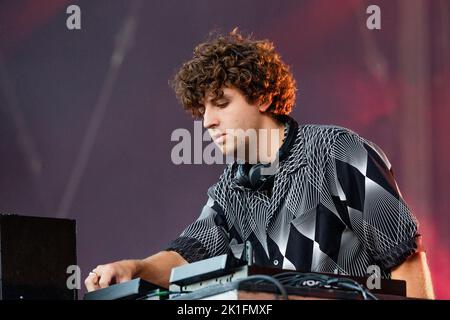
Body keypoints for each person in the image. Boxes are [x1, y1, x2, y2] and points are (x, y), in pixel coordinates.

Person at [84, 29, 434, 299]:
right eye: (201, 110)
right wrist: (133, 268)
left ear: (264, 96)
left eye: (221, 103)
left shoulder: (339, 152)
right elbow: (187, 256)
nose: (207, 121)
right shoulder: (229, 190)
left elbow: (405, 258)